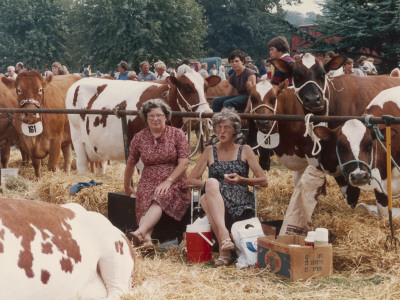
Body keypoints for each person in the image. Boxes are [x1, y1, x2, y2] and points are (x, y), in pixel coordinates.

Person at [187, 108, 268, 266]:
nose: (221, 131)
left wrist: (241, 179)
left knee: (205, 198)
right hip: (214, 196)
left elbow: (263, 180)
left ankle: (225, 250)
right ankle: (224, 237)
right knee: (210, 186)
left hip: (238, 196)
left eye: (227, 127)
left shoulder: (245, 150)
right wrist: (212, 185)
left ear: (235, 130)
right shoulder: (210, 151)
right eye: (218, 127)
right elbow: (190, 180)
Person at [124, 99, 190, 247]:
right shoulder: (139, 137)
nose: (155, 119)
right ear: (146, 118)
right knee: (144, 197)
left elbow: (184, 162)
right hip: (148, 178)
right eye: (151, 116)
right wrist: (127, 185)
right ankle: (147, 240)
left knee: (159, 196)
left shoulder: (177, 134)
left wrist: (169, 181)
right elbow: (130, 163)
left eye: (159, 115)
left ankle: (140, 232)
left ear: (166, 116)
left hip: (174, 178)